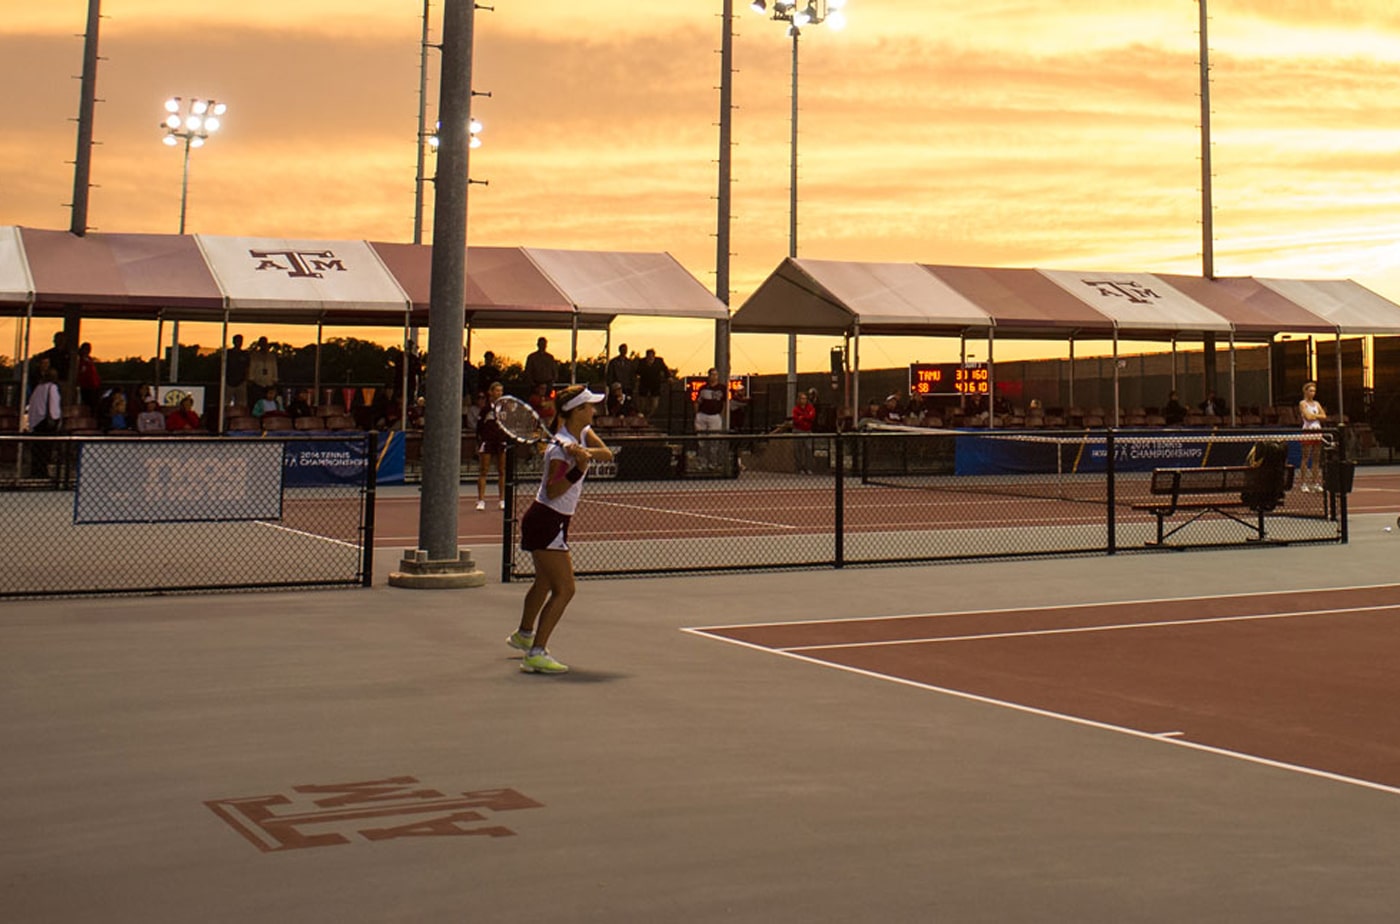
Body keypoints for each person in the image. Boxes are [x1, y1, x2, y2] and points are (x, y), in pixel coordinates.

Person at [507, 384, 612, 675]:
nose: (594, 410)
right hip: (547, 518)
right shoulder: (557, 451)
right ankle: (536, 653)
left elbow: (606, 455)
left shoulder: (581, 433)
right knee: (565, 589)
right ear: (576, 411)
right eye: (589, 406)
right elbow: (553, 491)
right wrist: (577, 466)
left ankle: (524, 634)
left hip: (553, 520)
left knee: (543, 582)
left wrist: (582, 451)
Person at [476, 381, 508, 511]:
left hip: (501, 441)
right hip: (488, 441)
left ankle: (502, 499)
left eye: (501, 391)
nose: (499, 393)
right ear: (491, 392)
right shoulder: (485, 409)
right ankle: (481, 500)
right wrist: (480, 441)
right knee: (484, 470)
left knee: (502, 470)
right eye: (497, 390)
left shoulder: (505, 408)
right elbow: (479, 427)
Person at [26, 365, 61, 477]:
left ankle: (36, 471)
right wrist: (56, 418)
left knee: (37, 449)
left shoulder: (38, 388)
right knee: (46, 449)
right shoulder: (52, 388)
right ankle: (42, 472)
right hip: (46, 422)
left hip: (37, 421)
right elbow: (54, 405)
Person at [694, 367, 726, 470]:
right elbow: (697, 402)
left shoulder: (722, 388)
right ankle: (702, 463)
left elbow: (725, 403)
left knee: (714, 441)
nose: (714, 377)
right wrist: (697, 414)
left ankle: (713, 463)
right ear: (708, 376)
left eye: (716, 374)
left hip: (715, 416)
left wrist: (722, 414)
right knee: (701, 441)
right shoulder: (703, 388)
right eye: (712, 374)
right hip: (702, 415)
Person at [1298, 381, 1327, 492]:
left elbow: (1324, 416)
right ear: (1305, 391)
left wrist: (1315, 416)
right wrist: (1316, 416)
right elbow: (1308, 417)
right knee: (1306, 457)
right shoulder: (1303, 403)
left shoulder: (1317, 404)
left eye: (1314, 391)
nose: (1312, 393)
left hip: (1317, 431)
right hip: (1308, 431)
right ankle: (1303, 483)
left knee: (1316, 459)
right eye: (1310, 390)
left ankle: (1315, 482)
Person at [635, 348, 669, 420]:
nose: (650, 357)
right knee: (643, 404)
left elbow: (665, 369)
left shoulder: (659, 361)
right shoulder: (642, 362)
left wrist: (668, 377)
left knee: (654, 405)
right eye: (649, 356)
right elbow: (637, 371)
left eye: (651, 355)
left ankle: (648, 417)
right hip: (644, 385)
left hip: (655, 385)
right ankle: (642, 417)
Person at [791, 389, 816, 474]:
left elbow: (811, 417)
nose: (804, 400)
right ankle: (799, 468)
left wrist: (802, 417)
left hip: (807, 430)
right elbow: (796, 420)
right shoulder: (796, 409)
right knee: (798, 450)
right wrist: (805, 417)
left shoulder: (810, 407)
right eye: (802, 398)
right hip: (798, 430)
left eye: (805, 398)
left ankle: (808, 467)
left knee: (808, 449)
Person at [225, 334, 250, 407]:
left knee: (241, 404)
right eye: (237, 341)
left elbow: (247, 367)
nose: (239, 343)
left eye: (240, 341)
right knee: (226, 403)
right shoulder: (228, 353)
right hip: (229, 381)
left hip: (241, 382)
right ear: (233, 341)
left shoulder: (245, 354)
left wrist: (246, 379)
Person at [77, 342, 101, 412]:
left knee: (94, 405)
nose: (88, 351)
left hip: (94, 385)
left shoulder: (89, 359)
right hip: (85, 386)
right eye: (86, 349)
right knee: (88, 405)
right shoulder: (79, 360)